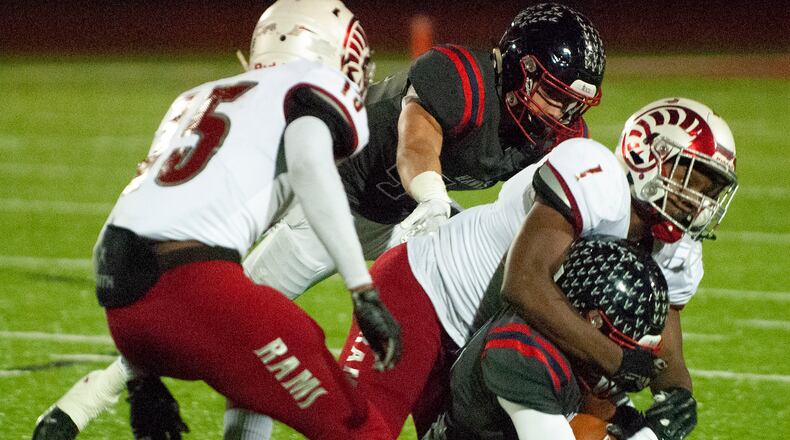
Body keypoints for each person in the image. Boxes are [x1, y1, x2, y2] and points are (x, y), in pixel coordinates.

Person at [33, 3, 607, 439]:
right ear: (519, 69)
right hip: (334, 195)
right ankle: (83, 403)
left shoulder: (558, 133)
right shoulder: (462, 73)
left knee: (425, 335)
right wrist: (434, 201)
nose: (566, 115)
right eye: (556, 96)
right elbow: (415, 146)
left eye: (575, 103)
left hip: (399, 217)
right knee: (232, 316)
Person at [33, 1, 402, 439]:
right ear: (333, 52)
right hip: (196, 288)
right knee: (358, 427)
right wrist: (362, 290)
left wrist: (143, 376)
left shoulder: (196, 98)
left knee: (261, 361)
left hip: (122, 297)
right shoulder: (311, 87)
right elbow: (310, 168)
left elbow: (130, 218)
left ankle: (78, 407)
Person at [336, 97, 738, 438]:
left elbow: (666, 349)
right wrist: (615, 363)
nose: (699, 200)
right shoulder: (596, 177)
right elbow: (525, 283)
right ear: (645, 154)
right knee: (359, 431)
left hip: (494, 342)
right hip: (422, 294)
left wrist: (677, 397)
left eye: (710, 190)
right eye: (693, 178)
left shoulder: (676, 249)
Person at [421, 236, 677, 440]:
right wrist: (653, 434)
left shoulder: (566, 341)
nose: (629, 355)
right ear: (593, 320)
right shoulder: (523, 348)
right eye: (626, 341)